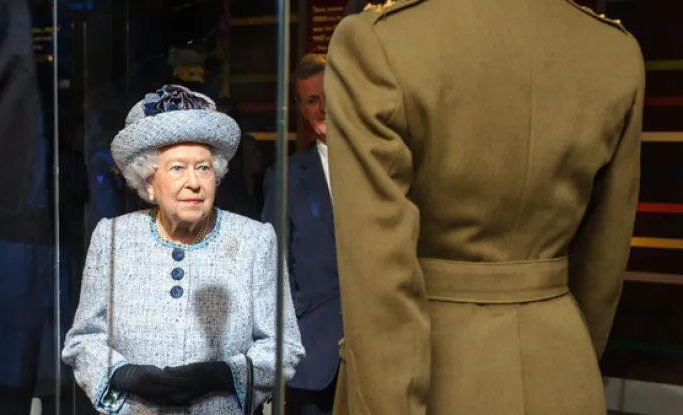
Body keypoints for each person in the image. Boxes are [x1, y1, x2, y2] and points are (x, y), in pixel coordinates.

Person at [325, 0, 644, 414]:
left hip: (437, 376)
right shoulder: (614, 50)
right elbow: (604, 259)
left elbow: (378, 279)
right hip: (564, 367)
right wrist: (566, 350)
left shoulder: (378, 42)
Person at [62, 85, 305, 415]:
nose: (194, 182)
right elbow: (83, 340)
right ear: (149, 181)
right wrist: (124, 375)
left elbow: (284, 347)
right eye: (178, 168)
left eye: (203, 168)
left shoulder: (254, 241)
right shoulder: (114, 238)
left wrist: (222, 375)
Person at [262, 54, 342, 415]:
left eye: (329, 96)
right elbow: (273, 266)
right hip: (313, 356)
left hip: (383, 349)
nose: (323, 108)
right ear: (301, 108)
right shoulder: (285, 176)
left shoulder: (384, 165)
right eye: (312, 100)